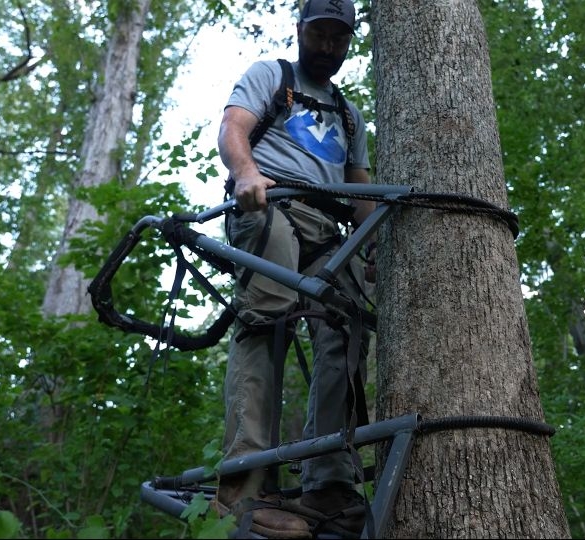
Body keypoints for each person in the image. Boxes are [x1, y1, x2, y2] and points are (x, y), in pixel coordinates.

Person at [214, 0, 376, 538]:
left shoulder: (351, 115)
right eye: (319, 34)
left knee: (347, 326)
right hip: (271, 208)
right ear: (301, 30)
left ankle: (328, 480)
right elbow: (234, 128)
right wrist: (245, 173)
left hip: (330, 231)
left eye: (338, 38)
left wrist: (374, 244)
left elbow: (360, 192)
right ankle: (244, 486)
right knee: (268, 316)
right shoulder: (272, 76)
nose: (328, 46)